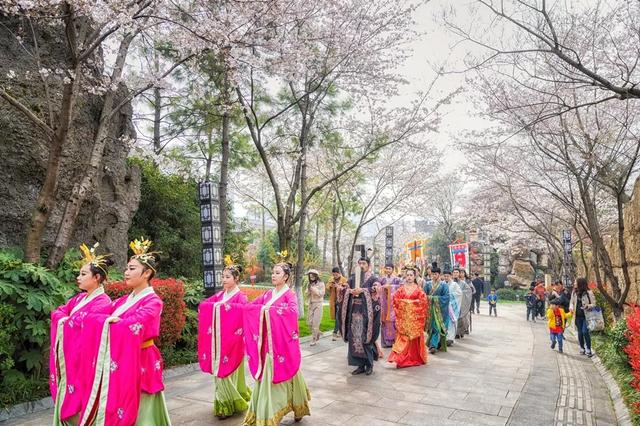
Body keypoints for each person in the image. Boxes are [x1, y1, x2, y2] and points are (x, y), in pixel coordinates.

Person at [78, 237, 171, 425]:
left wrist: (108, 322)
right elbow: (90, 317)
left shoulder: (153, 302)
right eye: (127, 268)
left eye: (132, 268)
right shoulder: (121, 302)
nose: (126, 272)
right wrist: (107, 321)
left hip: (141, 359)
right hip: (120, 359)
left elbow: (131, 325)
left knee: (142, 410)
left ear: (147, 273)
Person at [50, 243, 113, 425]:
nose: (78, 277)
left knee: (82, 404)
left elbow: (88, 324)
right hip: (70, 361)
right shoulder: (79, 299)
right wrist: (66, 320)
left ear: (97, 277)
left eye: (83, 274)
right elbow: (58, 312)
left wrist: (67, 320)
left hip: (84, 363)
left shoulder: (103, 302)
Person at [243, 262, 311, 425]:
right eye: (273, 272)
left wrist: (270, 311)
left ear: (286, 277)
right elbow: (252, 307)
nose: (273, 275)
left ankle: (296, 405)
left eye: (277, 273)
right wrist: (239, 307)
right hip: (266, 344)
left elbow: (293, 312)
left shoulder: (289, 295)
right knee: (269, 375)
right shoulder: (268, 294)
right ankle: (266, 412)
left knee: (289, 371)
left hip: (282, 344)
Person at [198, 261, 250, 419]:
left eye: (228, 277)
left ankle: (228, 404)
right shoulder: (220, 295)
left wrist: (224, 309)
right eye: (223, 277)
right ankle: (224, 402)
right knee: (219, 372)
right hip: (218, 342)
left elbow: (244, 313)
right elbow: (205, 305)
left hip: (232, 341)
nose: (224, 279)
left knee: (227, 373)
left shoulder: (241, 297)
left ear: (236, 278)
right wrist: (215, 307)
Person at [341, 257, 381, 375]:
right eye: (359, 263)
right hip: (354, 312)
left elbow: (377, 289)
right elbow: (345, 287)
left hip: (367, 314)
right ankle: (359, 365)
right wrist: (344, 289)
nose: (361, 265)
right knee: (355, 338)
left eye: (364, 263)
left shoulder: (373, 278)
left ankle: (369, 365)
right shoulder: (353, 278)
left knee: (365, 338)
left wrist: (362, 290)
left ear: (369, 265)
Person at [388, 265, 428, 368]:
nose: (409, 277)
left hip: (414, 320)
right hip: (404, 320)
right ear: (405, 276)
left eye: (411, 275)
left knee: (413, 340)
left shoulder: (419, 289)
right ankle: (401, 359)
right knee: (403, 339)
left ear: (415, 276)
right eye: (408, 275)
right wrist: (405, 303)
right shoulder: (401, 289)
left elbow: (423, 302)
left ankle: (414, 358)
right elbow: (395, 300)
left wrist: (411, 304)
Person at [424, 262, 450, 354]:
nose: (434, 276)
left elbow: (446, 297)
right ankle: (435, 344)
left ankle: (433, 346)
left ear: (439, 275)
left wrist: (433, 298)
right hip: (430, 310)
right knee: (431, 328)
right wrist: (427, 299)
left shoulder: (444, 285)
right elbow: (424, 296)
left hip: (440, 311)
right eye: (432, 274)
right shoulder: (427, 284)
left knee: (436, 328)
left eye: (436, 274)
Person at [570, 278, 596, 357]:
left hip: (586, 316)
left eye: (575, 282)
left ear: (580, 284)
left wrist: (588, 306)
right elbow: (571, 302)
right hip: (577, 316)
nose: (574, 284)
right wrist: (571, 307)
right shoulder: (574, 292)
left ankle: (588, 348)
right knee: (580, 333)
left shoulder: (589, 293)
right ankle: (582, 347)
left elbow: (594, 304)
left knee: (585, 332)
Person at [379, 263, 401, 348]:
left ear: (393, 269)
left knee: (393, 322)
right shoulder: (382, 279)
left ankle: (394, 341)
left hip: (393, 304)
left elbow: (400, 288)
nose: (388, 270)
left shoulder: (397, 279)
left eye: (389, 269)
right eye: (386, 268)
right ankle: (385, 342)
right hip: (384, 304)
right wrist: (382, 287)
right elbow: (378, 287)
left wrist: (390, 287)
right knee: (384, 322)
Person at [326, 267, 347, 340]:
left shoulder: (344, 280)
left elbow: (346, 289)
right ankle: (340, 331)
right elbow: (327, 288)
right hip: (333, 300)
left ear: (339, 273)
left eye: (336, 275)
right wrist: (331, 285)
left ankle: (335, 332)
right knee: (337, 317)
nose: (335, 276)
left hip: (341, 300)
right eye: (334, 275)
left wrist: (339, 286)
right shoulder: (331, 279)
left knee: (338, 316)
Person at [306, 269, 325, 346]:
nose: (311, 277)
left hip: (318, 304)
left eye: (313, 276)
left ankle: (314, 339)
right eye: (310, 276)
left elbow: (321, 294)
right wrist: (308, 291)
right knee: (309, 322)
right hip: (311, 304)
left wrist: (314, 289)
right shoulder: (309, 284)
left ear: (316, 276)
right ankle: (318, 332)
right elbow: (307, 293)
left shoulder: (321, 284)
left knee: (315, 323)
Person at [443, 268, 461, 345]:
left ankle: (450, 338)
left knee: (451, 322)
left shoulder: (454, 284)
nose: (446, 277)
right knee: (444, 322)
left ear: (451, 276)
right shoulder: (442, 284)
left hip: (452, 307)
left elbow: (459, 294)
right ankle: (444, 337)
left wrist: (450, 296)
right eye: (445, 276)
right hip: (443, 306)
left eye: (447, 276)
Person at [454, 268, 473, 338]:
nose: (456, 274)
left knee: (461, 318)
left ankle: (460, 332)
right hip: (453, 303)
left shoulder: (464, 283)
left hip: (462, 302)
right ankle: (454, 333)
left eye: (457, 273)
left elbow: (469, 291)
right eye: (454, 272)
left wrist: (460, 293)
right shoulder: (450, 282)